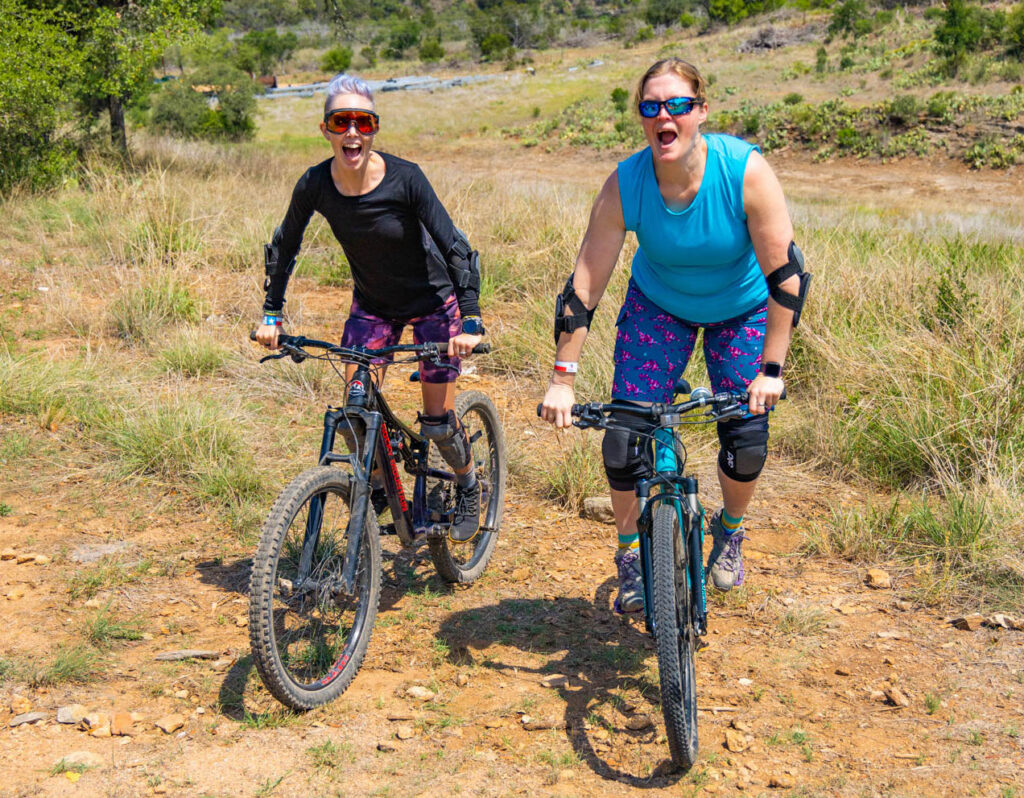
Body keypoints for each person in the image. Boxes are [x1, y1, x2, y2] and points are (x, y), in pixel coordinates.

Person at [539, 58, 810, 612]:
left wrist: (772, 371)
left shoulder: (744, 171)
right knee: (623, 436)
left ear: (700, 112)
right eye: (651, 106)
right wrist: (562, 378)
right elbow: (584, 287)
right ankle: (632, 555)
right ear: (641, 117)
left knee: (746, 435)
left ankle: (730, 531)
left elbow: (787, 277)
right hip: (658, 306)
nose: (664, 115)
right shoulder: (627, 183)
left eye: (677, 105)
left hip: (741, 309)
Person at [255, 73, 488, 543]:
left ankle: (467, 484)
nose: (352, 132)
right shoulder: (315, 184)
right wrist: (272, 315)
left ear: (375, 127)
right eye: (342, 122)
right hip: (374, 306)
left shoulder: (406, 178)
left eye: (363, 121)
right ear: (325, 129)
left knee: (439, 423)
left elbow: (456, 247)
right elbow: (285, 247)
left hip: (432, 306)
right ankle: (380, 485)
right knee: (355, 412)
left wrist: (470, 317)